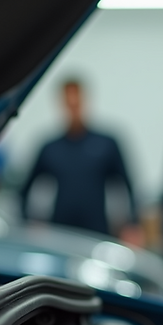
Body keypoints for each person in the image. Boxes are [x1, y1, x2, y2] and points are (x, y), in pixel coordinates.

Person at [20, 79, 142, 245]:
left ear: (85, 101)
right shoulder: (50, 148)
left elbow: (129, 186)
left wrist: (132, 225)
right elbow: (24, 190)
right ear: (62, 104)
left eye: (76, 103)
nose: (73, 109)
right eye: (69, 104)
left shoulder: (106, 144)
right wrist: (28, 224)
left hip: (98, 233)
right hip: (59, 234)